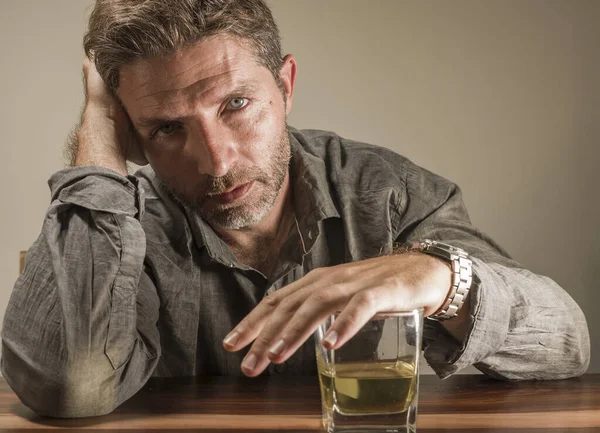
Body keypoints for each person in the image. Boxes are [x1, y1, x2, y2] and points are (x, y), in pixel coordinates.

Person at [1, 0, 589, 419]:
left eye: (236, 104)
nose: (216, 161)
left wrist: (440, 278)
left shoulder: (387, 194)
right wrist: (97, 149)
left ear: (285, 84)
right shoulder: (119, 229)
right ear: (132, 132)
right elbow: (64, 387)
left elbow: (566, 344)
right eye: (167, 128)